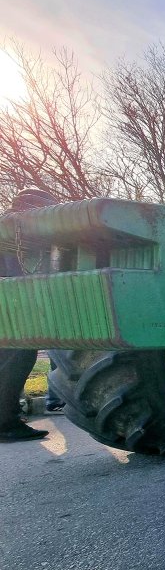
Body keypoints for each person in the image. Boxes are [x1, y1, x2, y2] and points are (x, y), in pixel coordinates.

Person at [0, 188, 59, 442]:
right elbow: (21, 273)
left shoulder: (6, 225)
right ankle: (5, 423)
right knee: (19, 357)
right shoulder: (22, 229)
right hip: (15, 303)